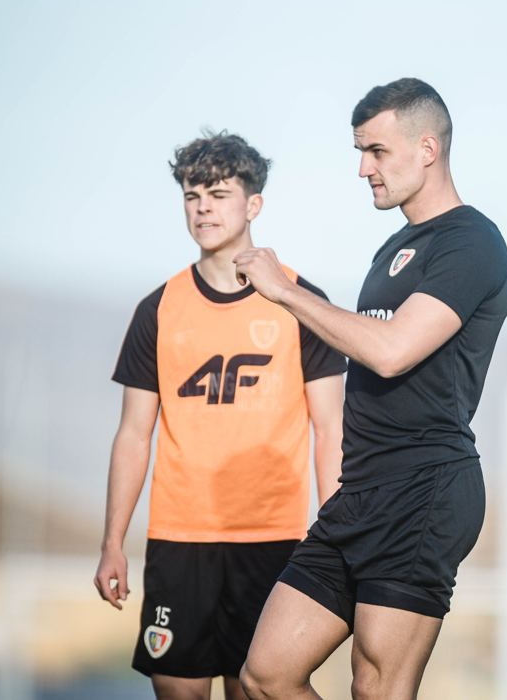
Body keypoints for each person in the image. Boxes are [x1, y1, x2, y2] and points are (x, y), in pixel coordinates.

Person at [232, 78, 507, 699]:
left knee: (376, 689)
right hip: (360, 493)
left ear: (428, 149)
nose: (363, 169)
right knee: (265, 677)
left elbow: (390, 351)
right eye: (360, 152)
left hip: (424, 488)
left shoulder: (472, 242)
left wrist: (286, 292)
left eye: (377, 151)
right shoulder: (394, 247)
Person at [93, 131, 346, 700]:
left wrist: (336, 538)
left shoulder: (301, 301)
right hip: (179, 537)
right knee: (177, 690)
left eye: (218, 194)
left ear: (254, 204)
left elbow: (330, 430)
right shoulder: (159, 309)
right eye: (192, 195)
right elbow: (133, 435)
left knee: (254, 689)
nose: (203, 208)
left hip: (273, 538)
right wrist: (112, 542)